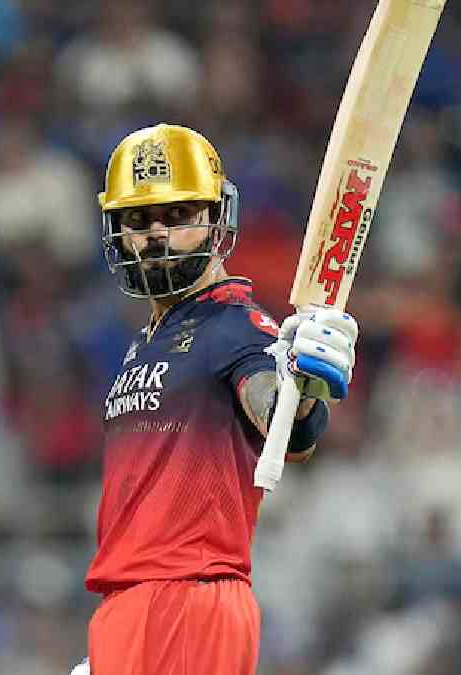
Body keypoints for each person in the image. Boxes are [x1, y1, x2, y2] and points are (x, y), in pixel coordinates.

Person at [81, 124, 360, 674]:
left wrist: (304, 385)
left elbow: (284, 426)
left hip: (190, 599)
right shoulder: (145, 342)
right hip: (130, 606)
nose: (157, 234)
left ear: (216, 218)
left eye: (178, 214)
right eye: (138, 219)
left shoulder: (237, 326)